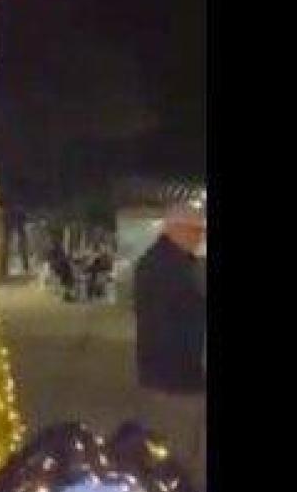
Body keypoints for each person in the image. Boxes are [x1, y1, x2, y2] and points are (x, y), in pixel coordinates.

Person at [133, 202, 207, 490]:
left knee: (172, 448)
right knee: (174, 451)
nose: (199, 237)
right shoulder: (166, 267)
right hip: (174, 377)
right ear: (175, 230)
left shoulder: (169, 262)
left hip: (167, 374)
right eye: (195, 231)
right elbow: (174, 323)